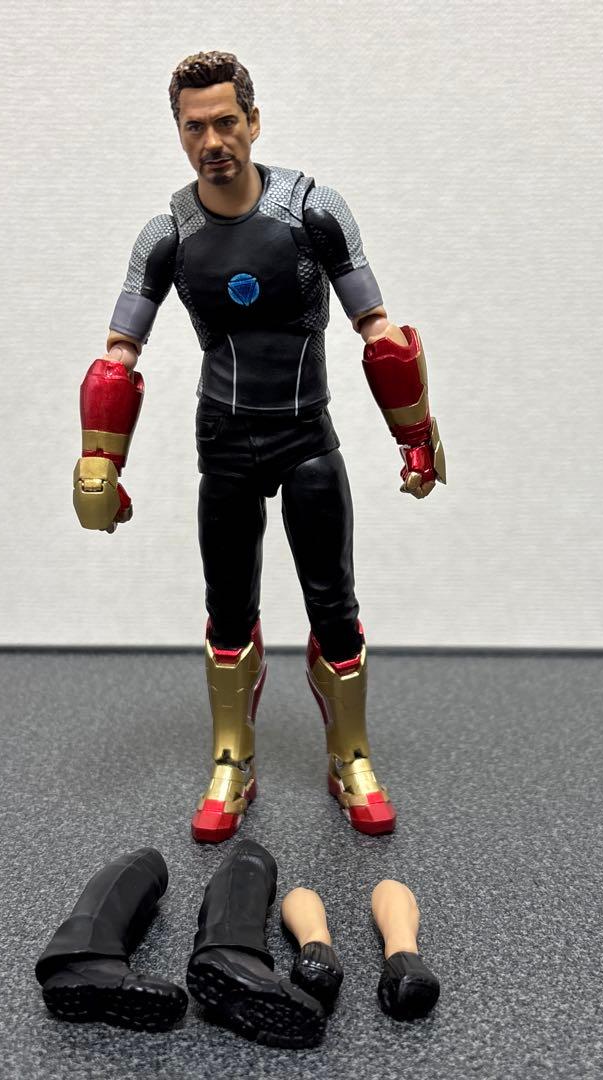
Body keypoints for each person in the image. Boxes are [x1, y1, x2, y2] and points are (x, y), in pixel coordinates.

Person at [72, 51, 445, 843]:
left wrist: (415, 437)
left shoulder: (313, 211)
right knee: (228, 609)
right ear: (178, 132)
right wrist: (101, 460)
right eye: (194, 127)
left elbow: (379, 332)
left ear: (254, 120)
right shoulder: (168, 234)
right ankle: (232, 760)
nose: (212, 141)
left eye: (225, 122)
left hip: (306, 434)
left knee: (334, 605)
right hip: (225, 444)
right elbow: (118, 354)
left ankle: (350, 756)